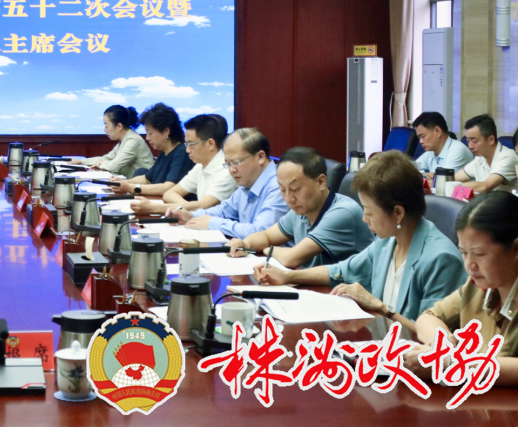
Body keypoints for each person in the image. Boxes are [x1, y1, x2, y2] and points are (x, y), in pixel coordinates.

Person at [255, 151, 466, 336]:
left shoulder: (440, 259)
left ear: (398, 213)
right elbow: (341, 271)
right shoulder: (387, 242)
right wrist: (288, 276)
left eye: (369, 212)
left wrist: (380, 307)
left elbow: (432, 338)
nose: (365, 219)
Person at [406, 191, 518, 379]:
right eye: (464, 253)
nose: (470, 265)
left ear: (516, 249)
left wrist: (451, 363)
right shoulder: (477, 286)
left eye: (480, 254)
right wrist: (442, 343)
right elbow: (429, 317)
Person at [225, 147, 373, 269]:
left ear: (321, 182)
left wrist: (267, 249)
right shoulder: (301, 210)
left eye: (295, 189)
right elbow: (267, 236)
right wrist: (244, 244)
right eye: (282, 190)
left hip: (348, 293)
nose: (289, 199)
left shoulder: (342, 213)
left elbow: (290, 259)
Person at [167, 127, 288, 239]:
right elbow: (224, 211)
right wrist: (191, 216)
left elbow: (260, 233)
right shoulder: (248, 182)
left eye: (236, 162)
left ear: (260, 157)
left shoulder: (280, 186)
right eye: (228, 164)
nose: (231, 170)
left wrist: (212, 223)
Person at [127, 113, 237, 213]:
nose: (187, 150)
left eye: (191, 144)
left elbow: (204, 206)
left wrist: (153, 207)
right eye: (186, 144)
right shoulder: (200, 165)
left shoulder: (226, 170)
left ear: (210, 144)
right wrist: (186, 208)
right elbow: (169, 193)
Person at [109, 103, 191, 190]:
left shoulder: (182, 153)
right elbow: (147, 179)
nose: (147, 138)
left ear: (166, 131)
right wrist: (124, 182)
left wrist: (130, 187)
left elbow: (169, 187)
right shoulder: (164, 152)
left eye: (150, 133)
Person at [69, 105, 154, 179]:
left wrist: (101, 164)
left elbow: (113, 166)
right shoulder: (125, 140)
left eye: (106, 126)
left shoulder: (133, 141)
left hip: (143, 187)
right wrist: (79, 161)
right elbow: (105, 159)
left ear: (119, 126)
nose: (105, 130)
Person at [455, 114, 518, 194]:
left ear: (491, 140)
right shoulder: (480, 158)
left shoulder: (508, 156)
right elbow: (456, 178)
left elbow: (485, 186)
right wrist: (441, 179)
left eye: (474, 141)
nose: (470, 146)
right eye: (468, 141)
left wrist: (452, 186)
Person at [412, 111, 473, 176]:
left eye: (423, 136)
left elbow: (443, 179)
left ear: (438, 131)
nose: (421, 141)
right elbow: (410, 168)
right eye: (419, 138)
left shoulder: (457, 150)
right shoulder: (431, 152)